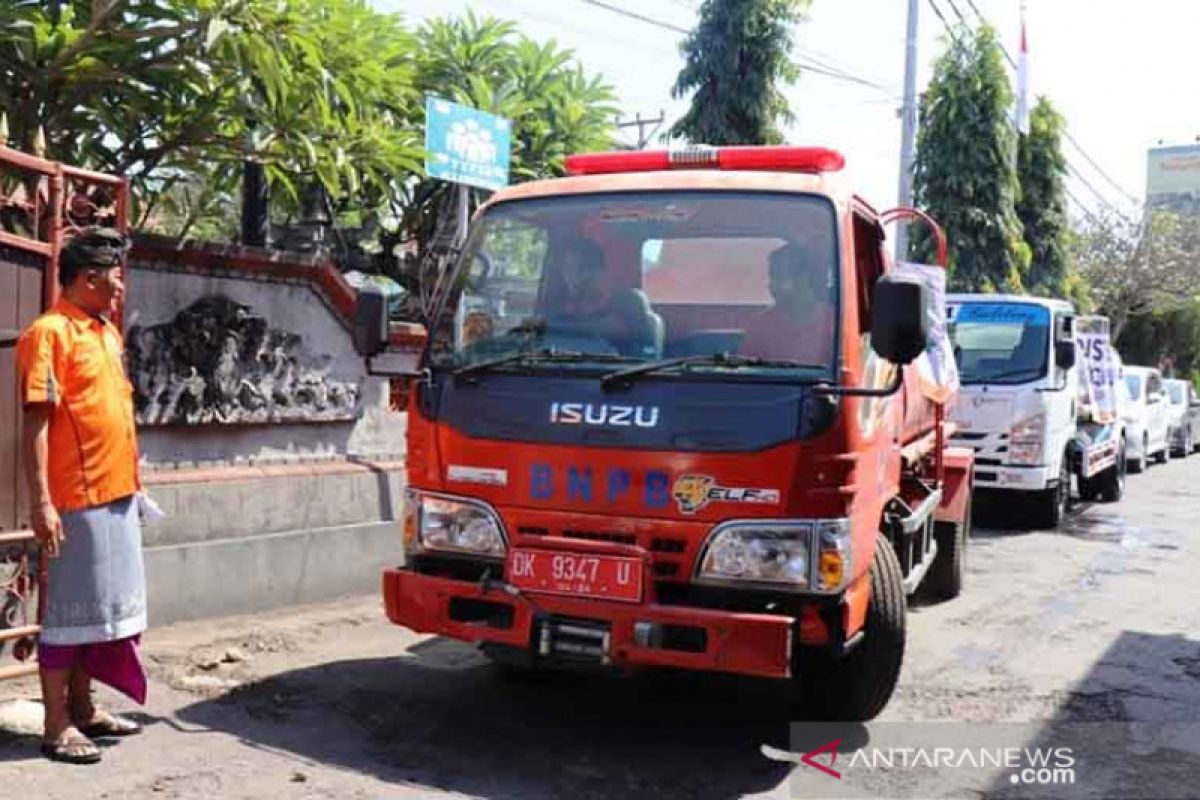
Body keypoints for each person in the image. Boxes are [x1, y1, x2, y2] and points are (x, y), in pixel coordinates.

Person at [17, 227, 147, 765]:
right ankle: (55, 724)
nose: (120, 289)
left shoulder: (105, 333)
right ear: (89, 279)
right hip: (77, 497)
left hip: (119, 492)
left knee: (101, 615)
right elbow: (36, 425)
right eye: (115, 279)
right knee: (70, 616)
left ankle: (85, 706)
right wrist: (42, 502)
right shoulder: (47, 334)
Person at [549, 240, 661, 357]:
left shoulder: (626, 305)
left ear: (599, 272)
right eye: (568, 267)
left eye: (582, 268)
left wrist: (563, 328)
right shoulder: (560, 308)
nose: (573, 274)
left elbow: (615, 330)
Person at [740, 242, 835, 365]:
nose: (772, 286)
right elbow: (749, 373)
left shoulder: (833, 323)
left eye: (780, 277)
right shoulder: (761, 325)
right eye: (772, 278)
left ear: (803, 279)